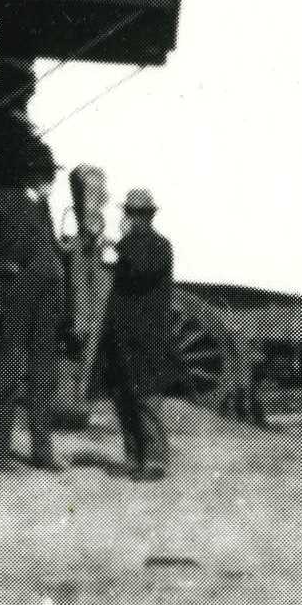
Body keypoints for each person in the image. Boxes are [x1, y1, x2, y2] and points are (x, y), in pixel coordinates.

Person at [0, 141, 65, 472]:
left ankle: (42, 451)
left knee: (43, 374)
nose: (51, 184)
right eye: (48, 177)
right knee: (6, 370)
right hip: (12, 298)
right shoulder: (0, 201)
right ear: (35, 177)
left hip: (45, 304)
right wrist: (3, 268)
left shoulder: (42, 209)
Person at [99, 186, 175, 481]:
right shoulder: (130, 245)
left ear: (147, 217)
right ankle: (135, 457)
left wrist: (116, 248)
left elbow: (139, 272)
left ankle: (154, 460)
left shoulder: (157, 246)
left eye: (135, 214)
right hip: (123, 334)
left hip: (146, 335)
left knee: (145, 395)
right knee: (124, 396)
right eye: (131, 214)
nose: (132, 219)